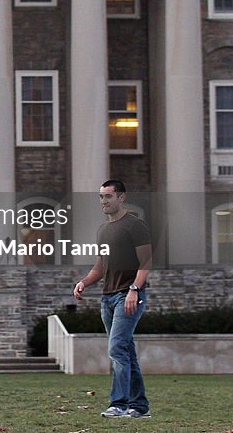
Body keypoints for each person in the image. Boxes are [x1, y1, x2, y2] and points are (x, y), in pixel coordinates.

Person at [73, 180, 153, 419]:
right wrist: (84, 282)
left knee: (117, 348)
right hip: (107, 298)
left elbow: (146, 262)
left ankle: (118, 403)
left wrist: (134, 290)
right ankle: (139, 407)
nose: (103, 202)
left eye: (108, 197)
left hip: (127, 297)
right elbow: (100, 266)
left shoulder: (135, 225)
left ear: (121, 198)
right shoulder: (103, 230)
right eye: (101, 197)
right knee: (126, 351)